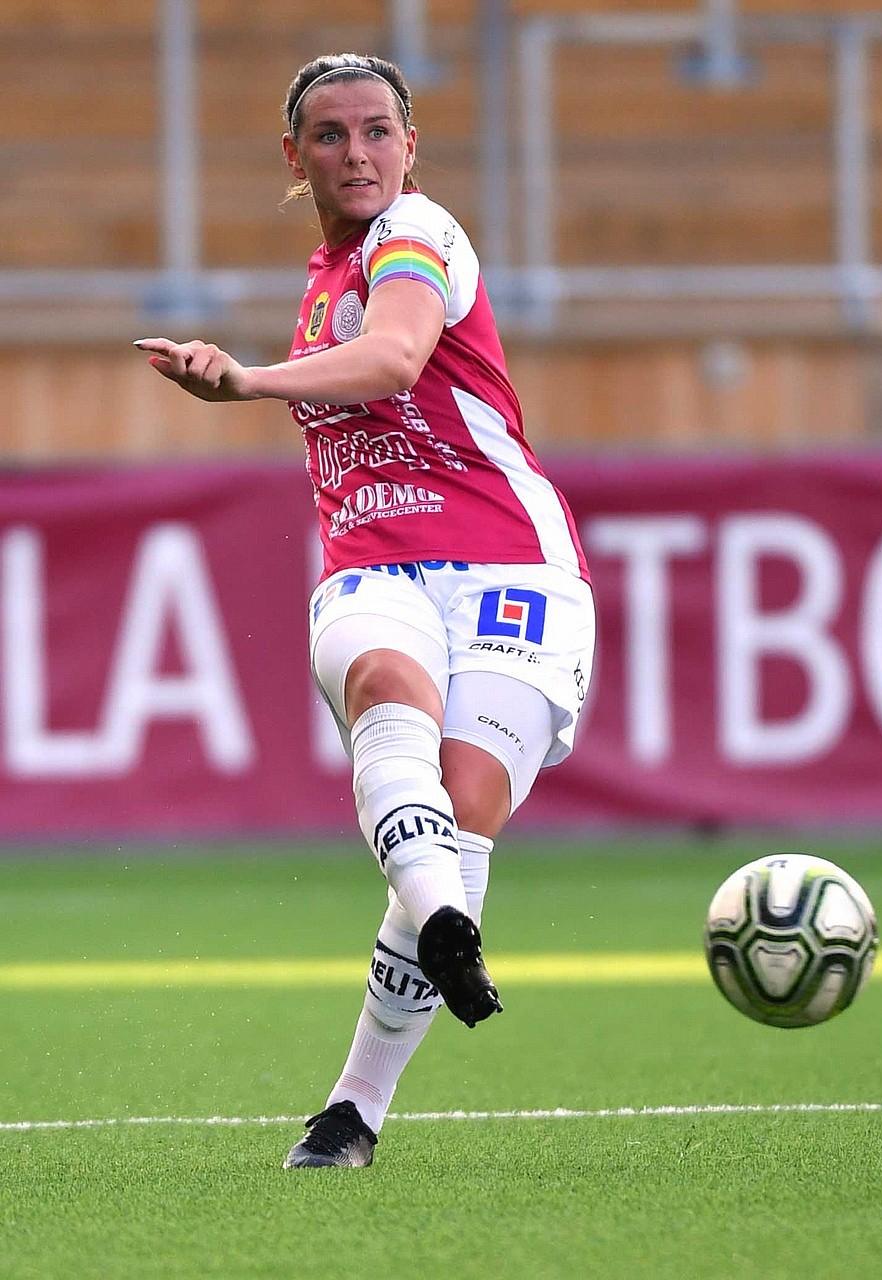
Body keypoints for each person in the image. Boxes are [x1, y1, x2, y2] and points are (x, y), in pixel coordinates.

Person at [135, 52, 595, 1170]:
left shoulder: (419, 232)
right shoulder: (318, 283)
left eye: (378, 130)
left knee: (463, 809)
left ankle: (355, 1110)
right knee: (387, 691)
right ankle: (443, 923)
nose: (358, 153)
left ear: (410, 145)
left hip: (513, 567)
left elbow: (393, 359)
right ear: (295, 156)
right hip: (373, 569)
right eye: (331, 135)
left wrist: (245, 381)